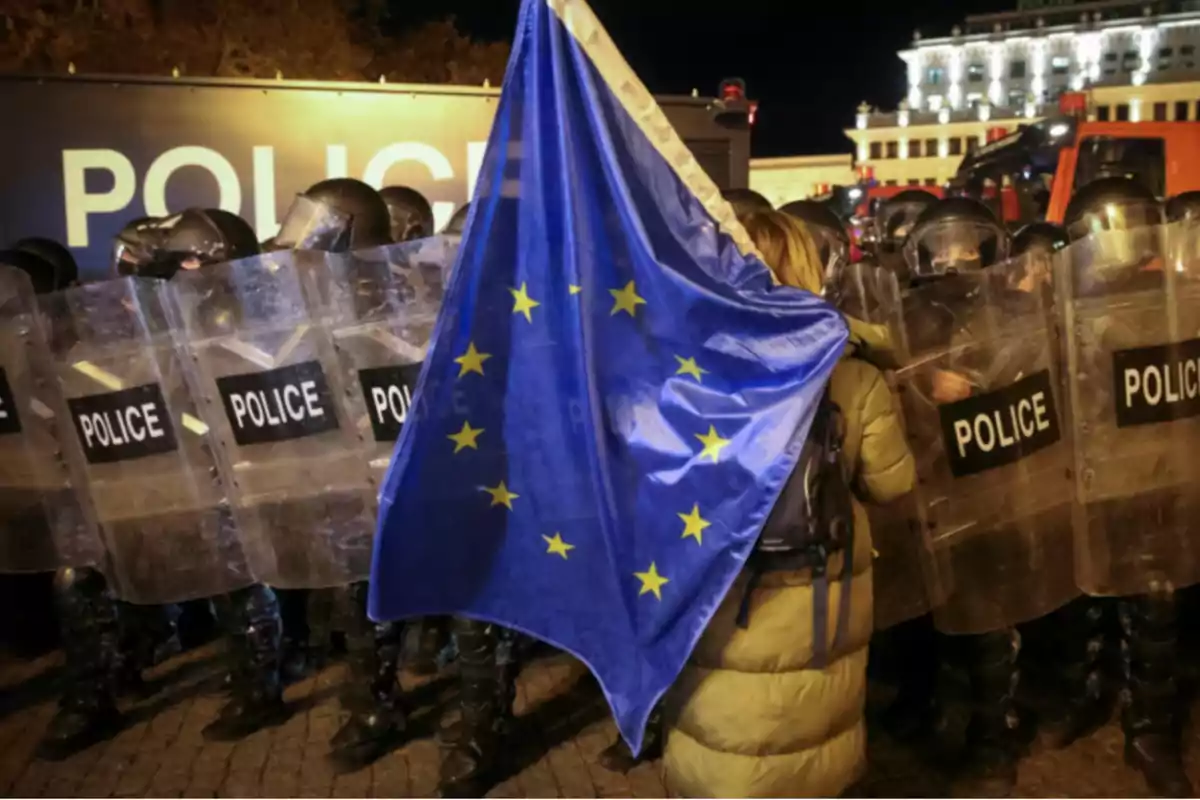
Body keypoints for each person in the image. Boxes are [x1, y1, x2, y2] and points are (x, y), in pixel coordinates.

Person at [661, 209, 915, 797]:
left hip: (714, 596)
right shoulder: (852, 376)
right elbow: (893, 485)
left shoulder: (685, 374)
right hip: (817, 604)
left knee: (718, 732)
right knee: (809, 745)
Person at [112, 208, 290, 741]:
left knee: (239, 571)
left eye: (187, 262)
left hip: (254, 480)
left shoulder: (254, 322)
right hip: (195, 472)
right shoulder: (176, 321)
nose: (177, 276)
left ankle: (260, 688)